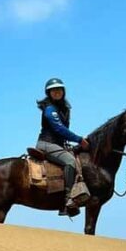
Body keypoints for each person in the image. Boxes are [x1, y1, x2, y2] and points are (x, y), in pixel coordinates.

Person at [35, 77, 90, 217]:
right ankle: (68, 199)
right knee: (70, 161)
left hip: (58, 144)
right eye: (53, 90)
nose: (57, 92)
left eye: (59, 90)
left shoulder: (64, 109)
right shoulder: (49, 109)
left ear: (63, 91)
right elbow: (59, 129)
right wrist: (79, 139)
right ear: (49, 93)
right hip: (47, 144)